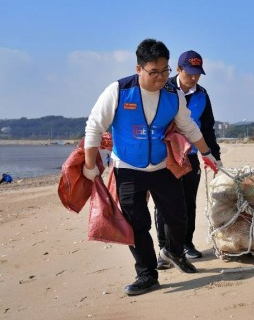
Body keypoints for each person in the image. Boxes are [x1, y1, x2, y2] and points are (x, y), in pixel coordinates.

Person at [82, 38, 219, 296]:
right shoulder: (119, 91)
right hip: (128, 169)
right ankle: (146, 274)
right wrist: (91, 167)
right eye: (153, 72)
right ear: (139, 69)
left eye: (164, 70)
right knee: (137, 224)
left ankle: (173, 251)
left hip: (162, 167)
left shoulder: (172, 94)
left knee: (178, 217)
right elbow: (94, 127)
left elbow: (189, 126)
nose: (160, 77)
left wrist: (208, 154)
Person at [155, 50, 221, 268]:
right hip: (166, 156)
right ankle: (164, 249)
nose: (194, 78)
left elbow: (208, 128)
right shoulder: (163, 90)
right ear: (178, 69)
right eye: (190, 73)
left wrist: (214, 157)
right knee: (165, 203)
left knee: (188, 201)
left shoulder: (202, 94)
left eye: (197, 74)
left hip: (191, 155)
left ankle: (186, 243)